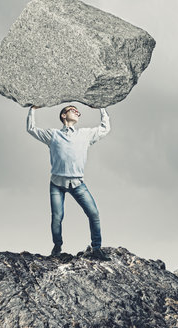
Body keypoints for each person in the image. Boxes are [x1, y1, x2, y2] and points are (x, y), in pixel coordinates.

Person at [27, 104, 111, 261]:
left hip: (78, 184)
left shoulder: (85, 134)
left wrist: (101, 108)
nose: (77, 112)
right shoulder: (53, 135)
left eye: (78, 112)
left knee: (94, 213)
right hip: (57, 184)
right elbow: (31, 129)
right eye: (73, 110)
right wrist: (32, 109)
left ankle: (97, 248)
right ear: (63, 115)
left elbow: (105, 128)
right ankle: (57, 247)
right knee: (57, 217)